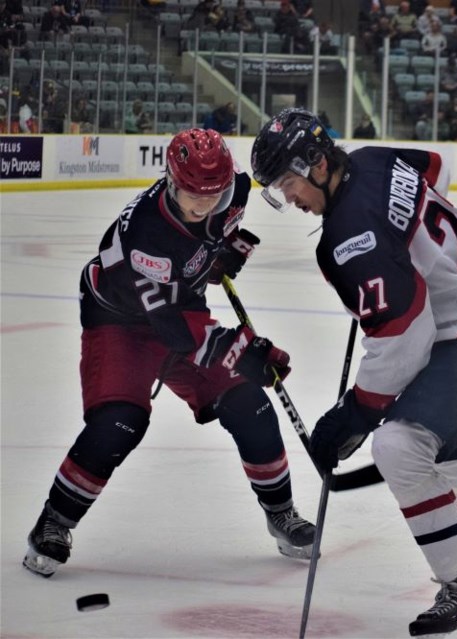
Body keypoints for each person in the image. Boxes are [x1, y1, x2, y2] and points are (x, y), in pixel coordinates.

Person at [251, 108, 457, 638]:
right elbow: (436, 169)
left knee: (399, 446)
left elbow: (404, 336)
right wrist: (406, 249)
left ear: (319, 164)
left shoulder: (350, 237)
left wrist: (357, 411)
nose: (291, 200)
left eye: (288, 183)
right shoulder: (371, 159)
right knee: (456, 457)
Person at [23, 129, 317, 578]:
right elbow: (176, 333)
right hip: (121, 322)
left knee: (250, 404)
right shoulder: (145, 234)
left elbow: (216, 239)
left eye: (214, 196)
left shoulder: (235, 188)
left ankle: (282, 514)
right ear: (171, 182)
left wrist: (223, 253)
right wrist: (245, 351)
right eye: (193, 196)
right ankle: (54, 522)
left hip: (179, 309)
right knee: (120, 420)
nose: (204, 206)